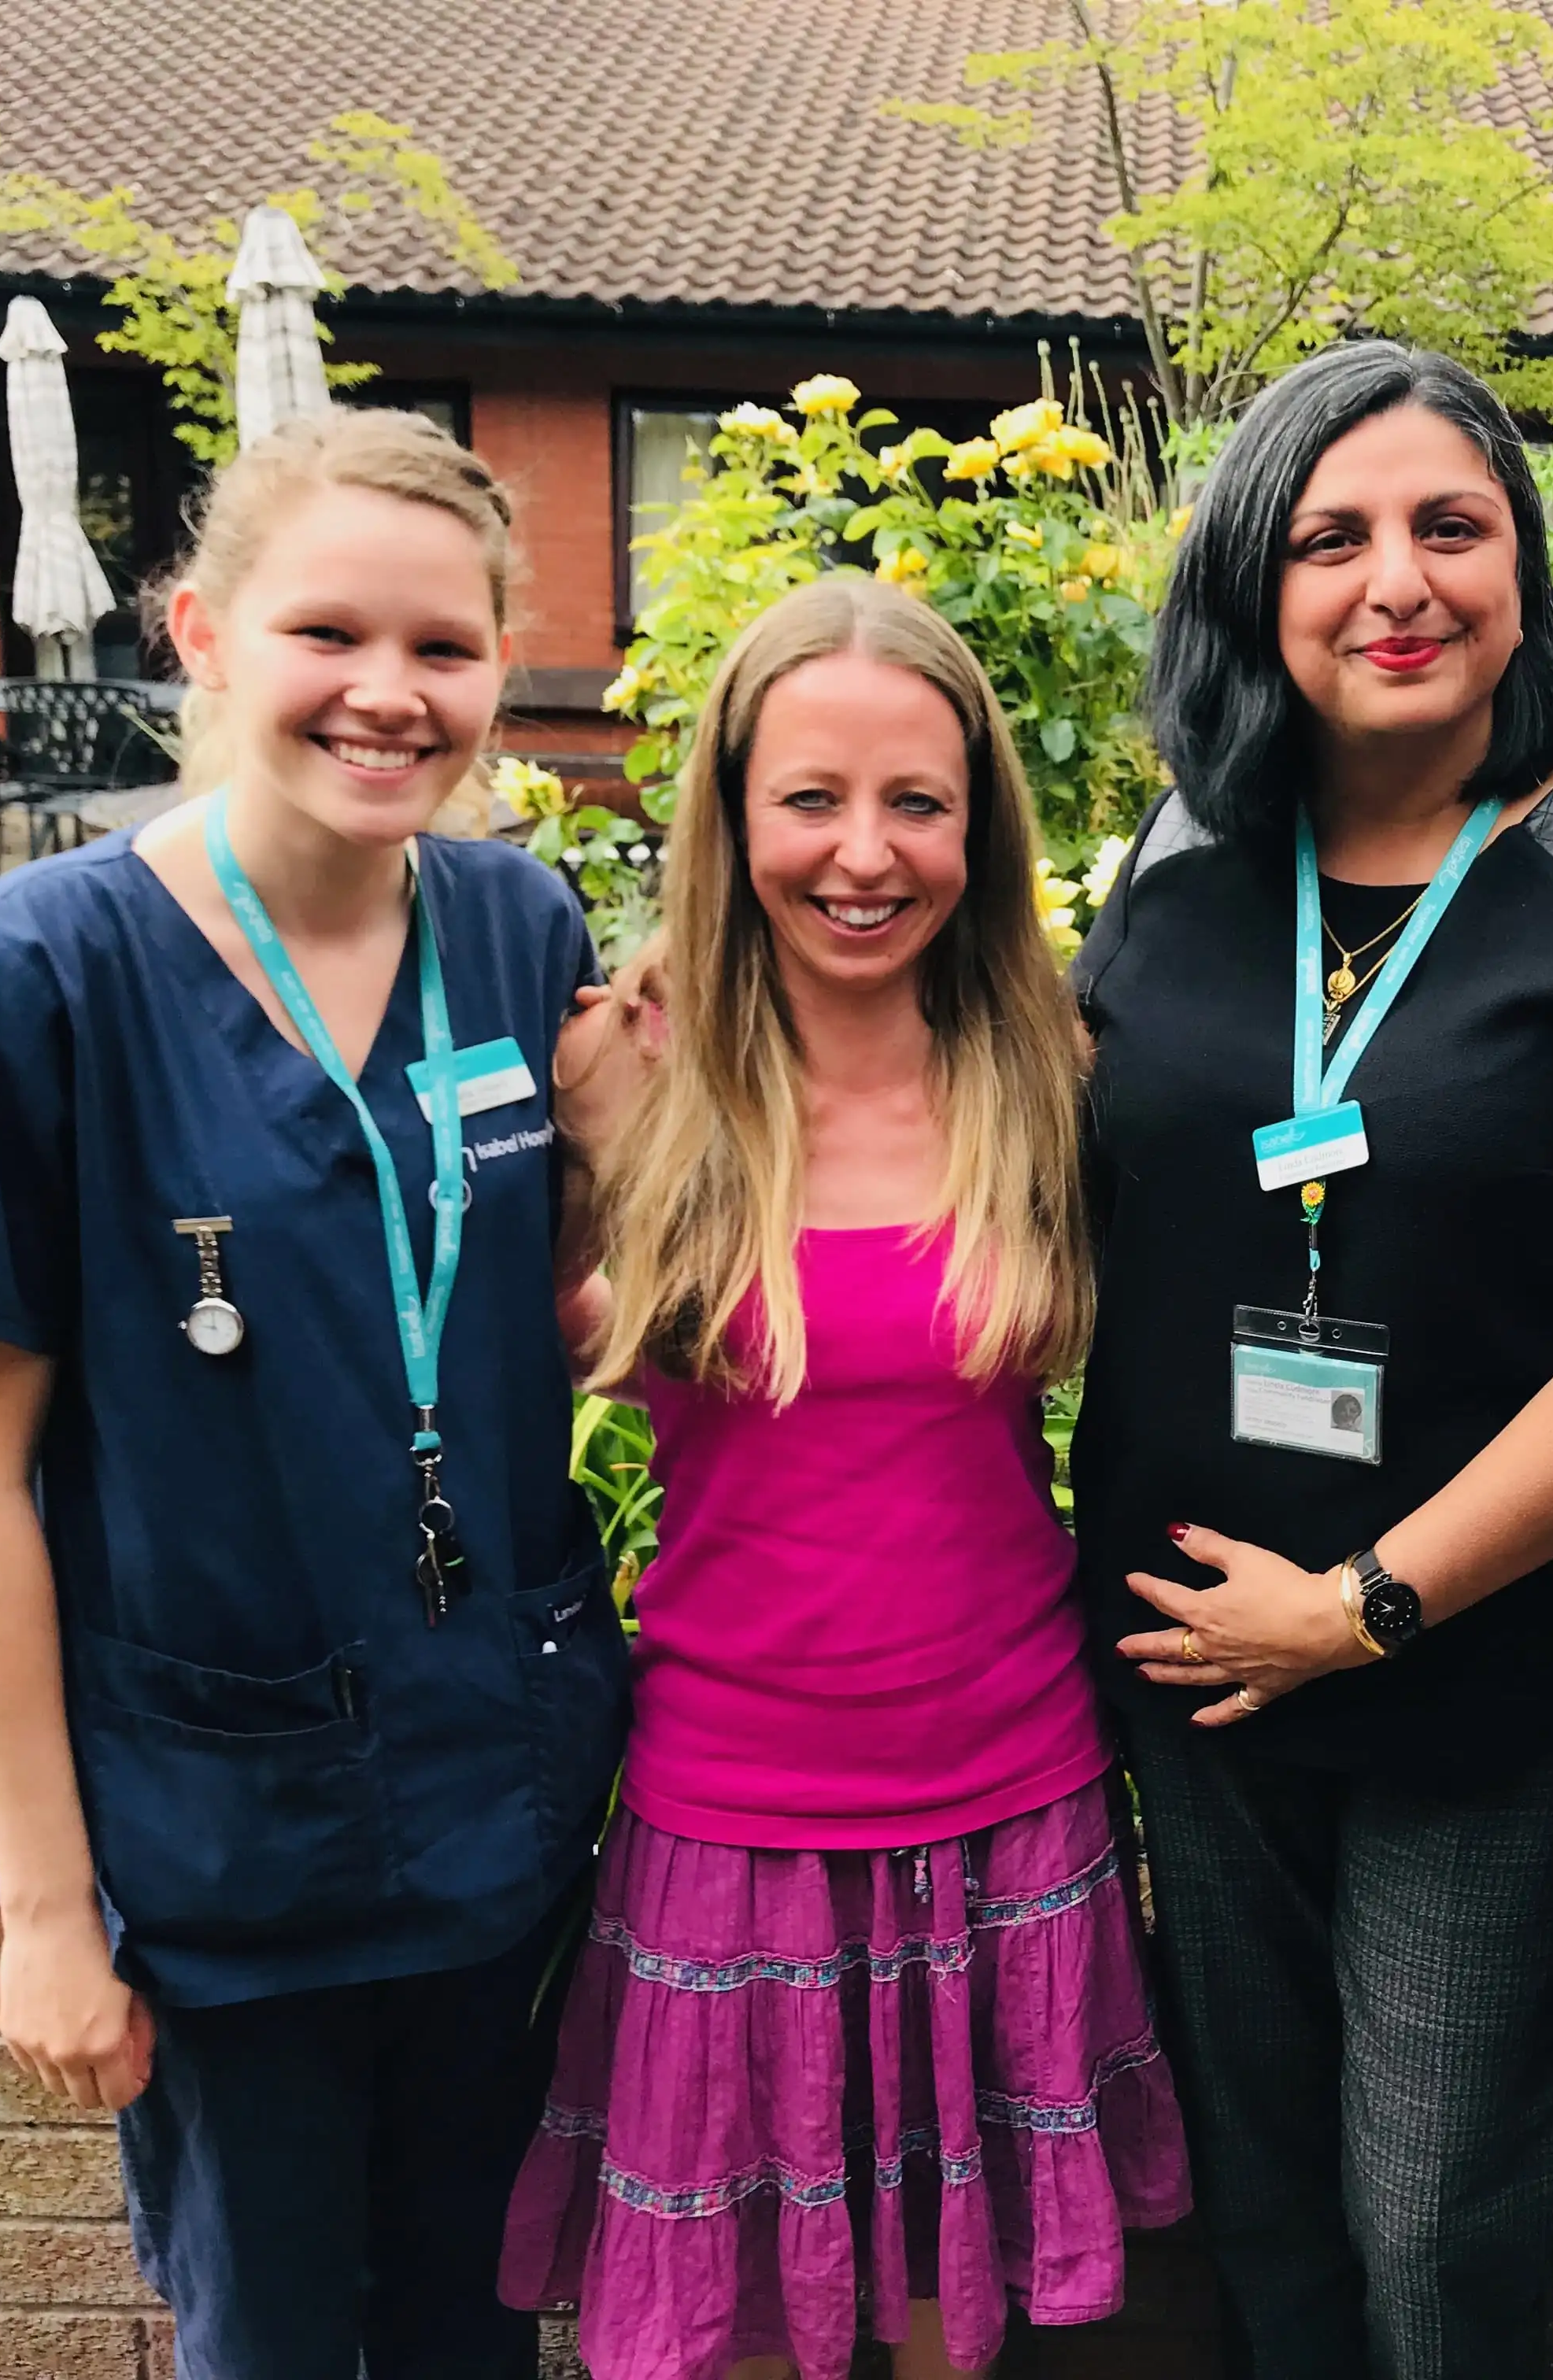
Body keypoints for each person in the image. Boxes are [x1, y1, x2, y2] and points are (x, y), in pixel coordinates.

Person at [0, 408, 630, 2380]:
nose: (392, 695)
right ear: (198, 632)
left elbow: (527, 1313)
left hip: (504, 1798)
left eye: (446, 651)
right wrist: (45, 1908)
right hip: (230, 1837)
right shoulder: (48, 971)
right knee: (270, 2339)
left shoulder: (519, 928)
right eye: (328, 636)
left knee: (479, 2325)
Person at [1071, 339, 1553, 2379]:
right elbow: (1057, 1201)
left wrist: (1362, 1608)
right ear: (1254, 591)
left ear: (1523, 575)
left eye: (1450, 528)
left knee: (1440, 2219)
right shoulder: (1177, 865)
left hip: (1483, 1672)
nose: (1400, 581)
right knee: (1267, 2195)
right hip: (1198, 1642)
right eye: (1334, 536)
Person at [501, 578, 1189, 2380]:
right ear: (730, 813)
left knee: (952, 2308)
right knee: (724, 2314)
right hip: (731, 1797)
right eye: (811, 799)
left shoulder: (1052, 1063)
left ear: (983, 820)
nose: (864, 855)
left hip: (1008, 1779)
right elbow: (509, 1363)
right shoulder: (619, 1070)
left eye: (918, 804)